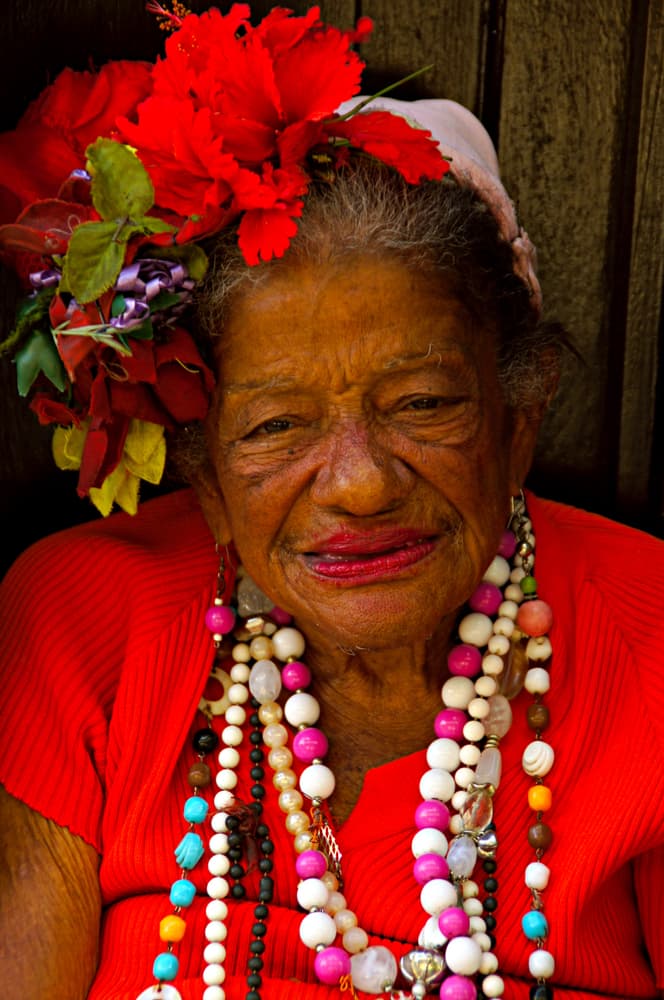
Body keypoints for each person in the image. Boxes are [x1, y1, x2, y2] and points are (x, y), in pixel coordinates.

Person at [0, 6, 662, 1000]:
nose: (359, 483)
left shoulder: (648, 633)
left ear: (520, 416)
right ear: (206, 473)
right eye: (276, 425)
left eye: (423, 404)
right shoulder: (81, 622)